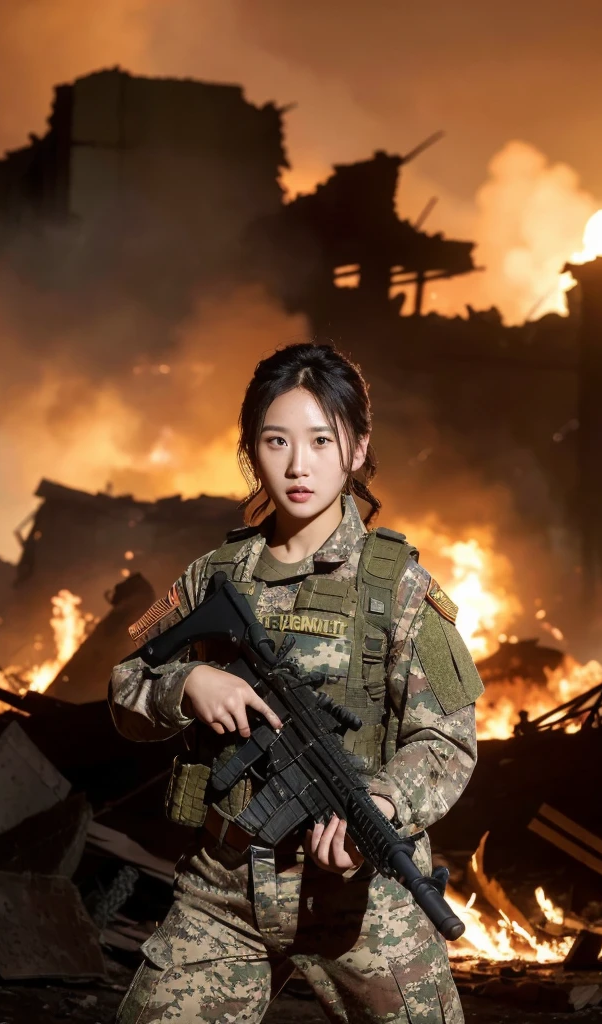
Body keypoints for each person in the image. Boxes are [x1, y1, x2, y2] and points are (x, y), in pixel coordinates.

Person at [109, 343, 483, 1023]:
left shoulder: (397, 588)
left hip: (364, 905)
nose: (298, 464)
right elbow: (127, 686)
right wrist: (187, 683)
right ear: (251, 448)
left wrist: (386, 801)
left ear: (359, 446)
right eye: (276, 440)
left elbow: (448, 740)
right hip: (224, 891)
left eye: (321, 439)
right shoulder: (213, 577)